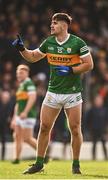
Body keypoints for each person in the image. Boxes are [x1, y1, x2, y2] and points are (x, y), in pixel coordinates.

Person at [12, 13, 94, 174]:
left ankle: (76, 165)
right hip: (53, 92)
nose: (51, 25)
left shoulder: (78, 43)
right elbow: (33, 57)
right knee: (44, 127)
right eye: (51, 23)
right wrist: (22, 49)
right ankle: (39, 164)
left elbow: (89, 64)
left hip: (72, 93)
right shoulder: (49, 42)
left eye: (55, 23)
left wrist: (71, 70)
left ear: (64, 25)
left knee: (75, 129)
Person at [10, 64, 37, 164]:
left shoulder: (29, 83)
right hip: (19, 116)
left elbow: (32, 98)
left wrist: (25, 111)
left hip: (28, 115)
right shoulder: (21, 85)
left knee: (27, 138)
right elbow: (18, 103)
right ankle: (16, 158)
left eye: (21, 73)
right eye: (18, 73)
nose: (19, 75)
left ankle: (44, 154)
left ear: (27, 73)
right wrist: (14, 118)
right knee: (16, 136)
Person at [86, 95, 108, 160]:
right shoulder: (91, 110)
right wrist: (89, 129)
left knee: (103, 144)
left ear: (102, 101)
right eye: (97, 100)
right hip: (94, 130)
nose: (98, 102)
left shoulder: (105, 110)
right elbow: (87, 120)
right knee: (94, 144)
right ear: (95, 101)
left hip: (102, 130)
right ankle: (93, 157)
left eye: (100, 100)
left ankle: (106, 157)